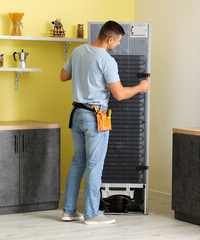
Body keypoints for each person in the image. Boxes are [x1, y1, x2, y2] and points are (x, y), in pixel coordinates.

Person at [60, 20, 150, 225]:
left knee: (77, 163)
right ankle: (91, 214)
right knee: (94, 166)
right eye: (118, 41)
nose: (118, 45)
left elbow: (63, 76)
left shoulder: (78, 51)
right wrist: (140, 87)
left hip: (77, 114)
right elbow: (119, 94)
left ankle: (69, 211)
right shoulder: (107, 60)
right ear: (110, 39)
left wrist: (83, 73)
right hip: (95, 116)